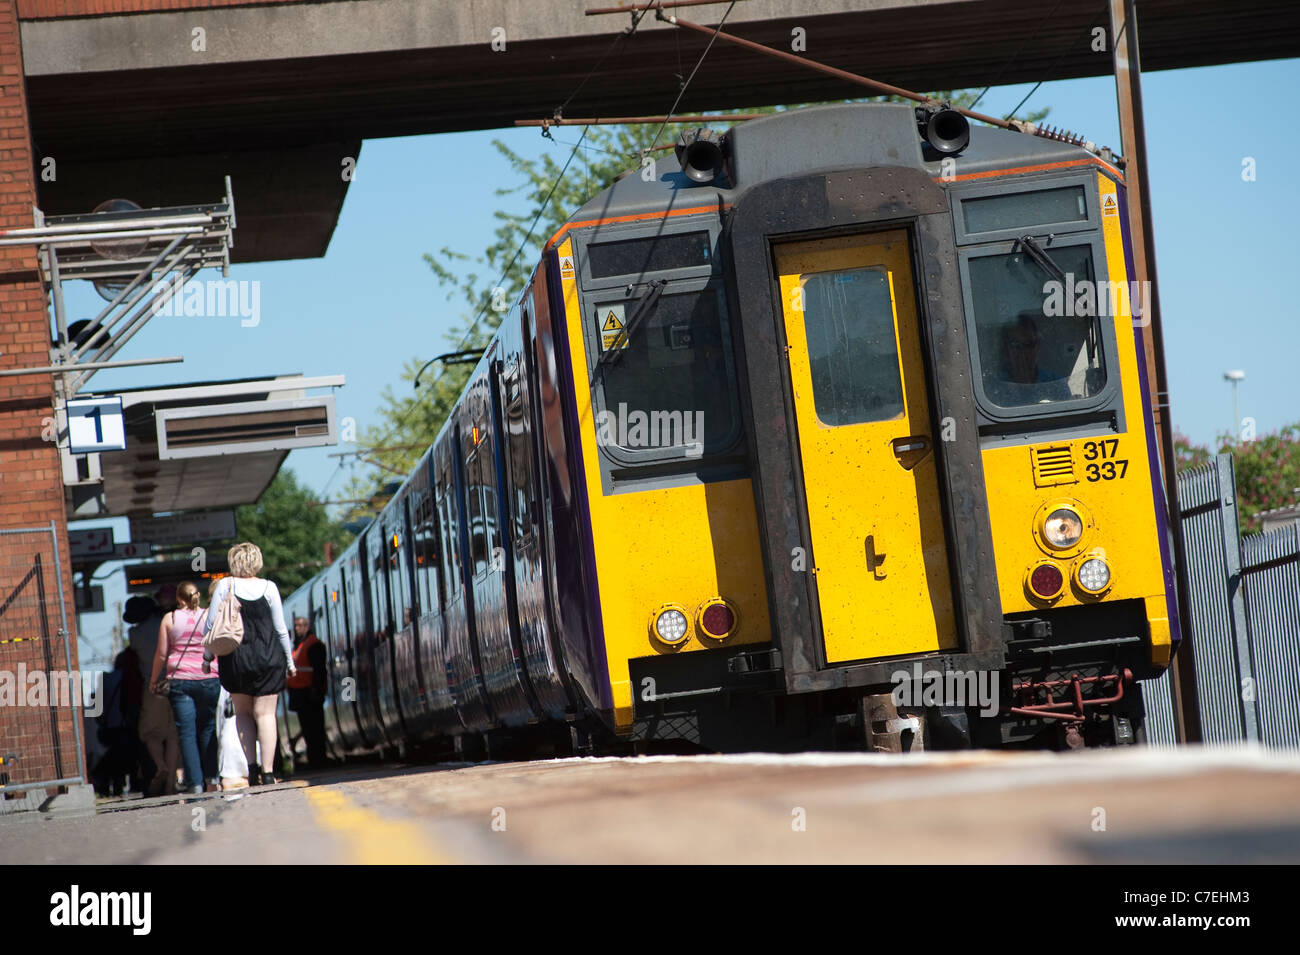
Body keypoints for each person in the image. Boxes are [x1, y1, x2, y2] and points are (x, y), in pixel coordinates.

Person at [201, 543, 296, 786]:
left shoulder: (225, 585)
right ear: (257, 561)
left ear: (234, 562)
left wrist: (207, 657)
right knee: (266, 714)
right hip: (268, 657)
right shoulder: (269, 587)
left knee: (242, 713)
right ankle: (267, 771)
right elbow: (280, 629)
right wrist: (289, 661)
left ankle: (251, 769)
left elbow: (211, 626)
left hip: (236, 658)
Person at [149, 581, 220, 794]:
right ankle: (212, 779)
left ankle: (195, 785)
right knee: (208, 728)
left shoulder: (169, 619)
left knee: (187, 734)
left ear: (179, 599)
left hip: (180, 682)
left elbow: (162, 654)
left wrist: (153, 680)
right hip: (208, 678)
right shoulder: (210, 615)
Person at [126, 593, 180, 796]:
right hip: (175, 683)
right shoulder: (167, 624)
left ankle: (160, 765)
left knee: (150, 733)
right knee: (174, 736)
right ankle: (170, 784)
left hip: (153, 686)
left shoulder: (134, 634)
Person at [985, 311, 1071, 407]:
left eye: (1029, 344)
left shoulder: (1055, 385)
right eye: (1016, 345)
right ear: (1006, 349)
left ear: (1037, 346)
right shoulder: (993, 389)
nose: (1023, 351)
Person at [287, 615, 329, 769]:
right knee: (307, 729)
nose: (298, 628)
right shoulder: (297, 646)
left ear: (307, 626)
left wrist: (317, 690)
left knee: (315, 728)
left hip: (310, 694)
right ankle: (315, 759)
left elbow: (319, 671)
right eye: (296, 625)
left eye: (301, 625)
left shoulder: (314, 645)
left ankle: (319, 759)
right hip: (299, 694)